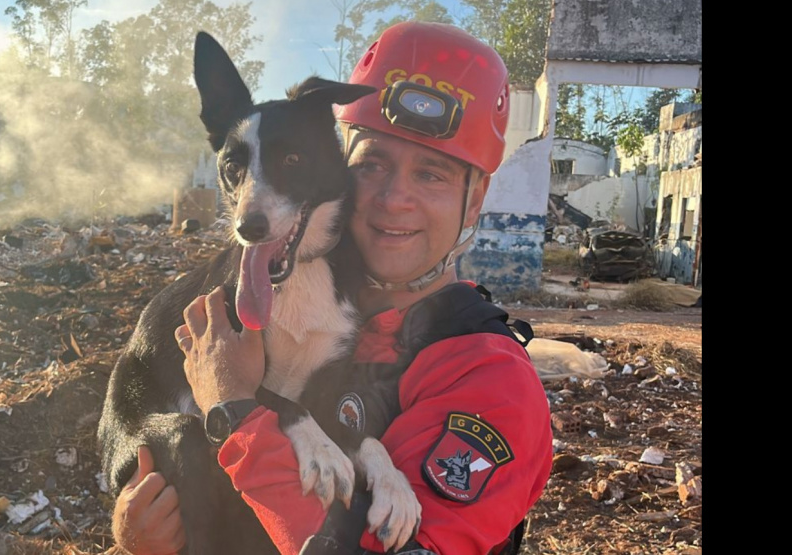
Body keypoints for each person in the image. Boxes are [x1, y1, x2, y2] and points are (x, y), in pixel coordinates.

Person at [111, 21, 553, 555]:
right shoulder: (321, 307)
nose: (393, 199)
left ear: (476, 198)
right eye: (373, 164)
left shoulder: (489, 379)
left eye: (431, 175)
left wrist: (232, 406)